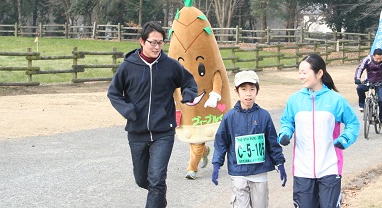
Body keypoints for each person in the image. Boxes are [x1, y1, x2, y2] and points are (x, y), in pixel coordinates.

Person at [107, 21, 198, 208]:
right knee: (142, 180)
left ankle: (157, 194)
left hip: (163, 132)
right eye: (153, 42)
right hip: (137, 131)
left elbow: (189, 82)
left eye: (160, 43)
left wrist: (188, 95)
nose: (157, 47)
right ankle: (159, 197)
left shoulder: (170, 66)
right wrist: (129, 111)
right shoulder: (127, 67)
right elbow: (113, 93)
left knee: (157, 179)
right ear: (142, 41)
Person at [278, 54, 360, 208]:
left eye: (305, 72)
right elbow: (287, 122)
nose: (301, 76)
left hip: (330, 167)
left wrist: (344, 139)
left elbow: (353, 124)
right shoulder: (295, 100)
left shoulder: (336, 100)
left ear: (319, 73)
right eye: (300, 72)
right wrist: (285, 133)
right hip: (302, 170)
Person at [211, 70, 286, 208]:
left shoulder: (264, 116)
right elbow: (221, 142)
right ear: (236, 91)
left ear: (257, 90)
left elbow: (272, 143)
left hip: (260, 173)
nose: (248, 93)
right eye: (244, 89)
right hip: (238, 173)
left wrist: (280, 163)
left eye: (252, 89)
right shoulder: (229, 117)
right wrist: (216, 164)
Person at [354, 48, 382, 128]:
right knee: (359, 88)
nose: (378, 60)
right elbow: (360, 68)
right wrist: (357, 78)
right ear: (373, 56)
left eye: (380, 59)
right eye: (377, 58)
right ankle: (362, 105)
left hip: (381, 82)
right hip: (369, 81)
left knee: (381, 101)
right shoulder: (367, 59)